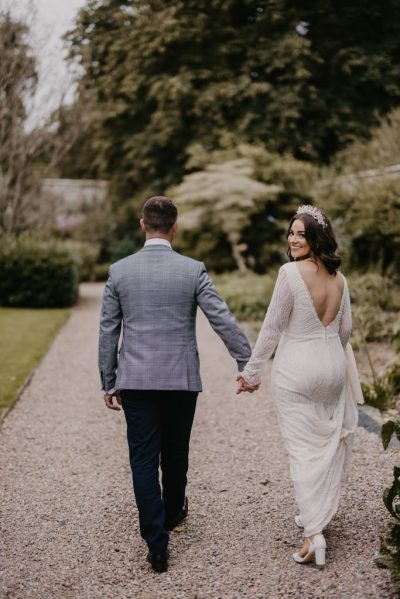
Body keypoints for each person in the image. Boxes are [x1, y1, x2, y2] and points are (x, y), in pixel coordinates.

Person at [98, 196, 252, 573]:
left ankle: (156, 542)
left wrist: (108, 381)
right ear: (175, 226)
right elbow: (222, 318)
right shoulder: (192, 269)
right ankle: (171, 515)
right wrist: (247, 360)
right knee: (176, 452)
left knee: (143, 458)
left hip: (134, 380)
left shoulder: (120, 271)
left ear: (142, 225)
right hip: (181, 380)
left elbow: (108, 331)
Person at [237, 205, 363, 567]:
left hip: (297, 371)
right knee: (325, 442)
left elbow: (272, 328)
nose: (293, 239)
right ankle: (316, 511)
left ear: (315, 238)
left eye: (301, 234)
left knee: (303, 451)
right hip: (332, 367)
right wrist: (330, 361)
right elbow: (345, 331)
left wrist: (251, 372)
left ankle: (314, 534)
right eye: (291, 233)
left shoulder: (290, 273)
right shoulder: (340, 279)